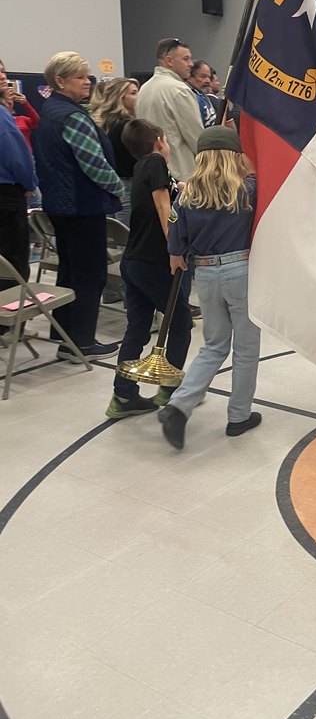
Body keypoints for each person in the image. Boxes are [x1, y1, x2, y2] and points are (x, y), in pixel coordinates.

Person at [158, 126, 262, 450]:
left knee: (214, 345)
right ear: (234, 155)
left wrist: (176, 254)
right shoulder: (248, 188)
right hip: (241, 269)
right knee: (245, 348)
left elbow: (176, 238)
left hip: (204, 272)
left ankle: (179, 406)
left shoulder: (186, 194)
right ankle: (238, 415)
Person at [31, 52, 123, 359]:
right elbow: (93, 164)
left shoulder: (51, 111)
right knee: (89, 274)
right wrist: (118, 188)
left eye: (88, 76)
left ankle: (65, 336)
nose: (88, 83)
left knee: (69, 272)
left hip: (61, 205)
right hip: (82, 206)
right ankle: (82, 343)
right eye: (81, 77)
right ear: (60, 81)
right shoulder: (71, 116)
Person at [106, 119, 193, 419]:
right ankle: (171, 390)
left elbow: (170, 192)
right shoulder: (155, 161)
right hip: (154, 262)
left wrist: (182, 187)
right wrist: (175, 247)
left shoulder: (142, 167)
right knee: (181, 322)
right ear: (159, 141)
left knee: (138, 328)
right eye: (167, 140)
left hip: (133, 262)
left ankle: (123, 396)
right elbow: (162, 207)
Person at [135, 38, 203, 181]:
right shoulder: (180, 90)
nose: (191, 64)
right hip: (181, 175)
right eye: (186, 59)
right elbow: (197, 139)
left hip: (152, 175)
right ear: (169, 61)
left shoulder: (143, 89)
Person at [91, 77, 140, 225]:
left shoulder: (107, 123)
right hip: (127, 183)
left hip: (111, 183)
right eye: (133, 93)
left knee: (115, 232)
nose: (138, 97)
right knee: (127, 232)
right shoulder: (127, 126)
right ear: (121, 97)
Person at [0, 100, 36, 293]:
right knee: (11, 267)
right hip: (6, 196)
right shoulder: (1, 115)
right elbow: (18, 158)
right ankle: (10, 321)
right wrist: (29, 183)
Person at [188, 60, 217, 128]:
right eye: (203, 76)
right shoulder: (191, 97)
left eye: (209, 77)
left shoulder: (203, 96)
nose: (208, 81)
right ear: (190, 77)